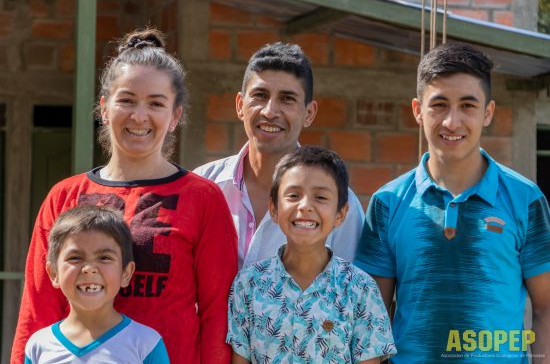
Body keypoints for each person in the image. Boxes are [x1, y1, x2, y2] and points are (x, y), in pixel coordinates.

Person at [12, 28, 237, 364]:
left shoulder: (203, 198)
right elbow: (38, 307)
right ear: (104, 108)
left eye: (156, 103)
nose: (139, 116)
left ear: (175, 116)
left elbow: (217, 312)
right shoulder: (65, 197)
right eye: (127, 100)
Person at [354, 43, 550, 363]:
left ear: (488, 113)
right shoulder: (387, 203)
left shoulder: (525, 199)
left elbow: (546, 307)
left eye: (468, 106)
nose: (452, 122)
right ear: (418, 110)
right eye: (439, 105)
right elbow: (371, 320)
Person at [194, 42, 364, 269]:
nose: (270, 112)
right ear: (240, 105)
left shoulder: (337, 204)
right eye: (260, 95)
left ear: (309, 113)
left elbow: (348, 294)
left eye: (287, 99)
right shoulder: (203, 186)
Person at [227, 146, 396, 364]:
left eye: (320, 197)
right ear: (274, 209)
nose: (305, 206)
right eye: (294, 195)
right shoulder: (248, 285)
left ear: (341, 214)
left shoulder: (361, 289)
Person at [24, 205, 170, 363]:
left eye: (104, 258)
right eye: (75, 258)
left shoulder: (146, 344)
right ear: (54, 273)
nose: (89, 269)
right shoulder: (38, 346)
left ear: (126, 273)